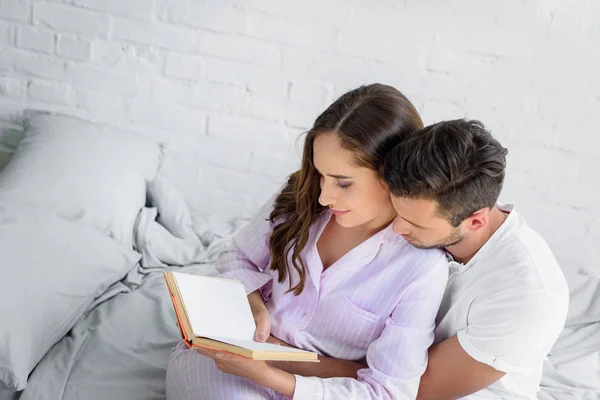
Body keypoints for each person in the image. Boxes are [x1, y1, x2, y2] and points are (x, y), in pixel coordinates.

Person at [165, 83, 449, 399]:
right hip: (229, 367)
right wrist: (252, 300)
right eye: (320, 174)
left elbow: (388, 391)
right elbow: (238, 256)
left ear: (392, 176)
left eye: (343, 183)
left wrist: (274, 377)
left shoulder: (421, 267)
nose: (325, 195)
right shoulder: (299, 197)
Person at [382, 119, 569, 399]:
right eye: (396, 212)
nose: (396, 229)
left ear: (476, 221)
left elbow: (410, 388)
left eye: (415, 224)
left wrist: (302, 369)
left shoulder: (529, 294)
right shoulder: (439, 219)